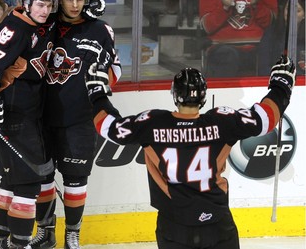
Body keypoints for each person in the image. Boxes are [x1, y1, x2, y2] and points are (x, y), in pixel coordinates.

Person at [83, 53, 295, 249]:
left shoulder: (152, 123)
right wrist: (281, 85)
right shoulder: (223, 121)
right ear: (203, 96)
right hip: (217, 223)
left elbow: (107, 126)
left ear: (175, 95)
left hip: (173, 226)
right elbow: (265, 119)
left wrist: (97, 93)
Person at [29, 0, 121, 249]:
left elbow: (115, 68)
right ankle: (46, 232)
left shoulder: (100, 30)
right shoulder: (44, 26)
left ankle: (72, 234)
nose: (74, 4)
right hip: (42, 116)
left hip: (80, 117)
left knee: (75, 180)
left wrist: (99, 83)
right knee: (43, 179)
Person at [0, 0, 57, 249]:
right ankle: (20, 244)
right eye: (40, 5)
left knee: (9, 183)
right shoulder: (16, 28)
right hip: (14, 116)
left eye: (49, 5)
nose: (45, 10)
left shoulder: (39, 25)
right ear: (27, 4)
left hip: (28, 114)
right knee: (28, 185)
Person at [199, 0, 278, 77]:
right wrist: (225, 7)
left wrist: (256, 5)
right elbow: (206, 27)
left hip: (257, 49)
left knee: (270, 58)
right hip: (221, 49)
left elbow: (270, 23)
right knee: (228, 55)